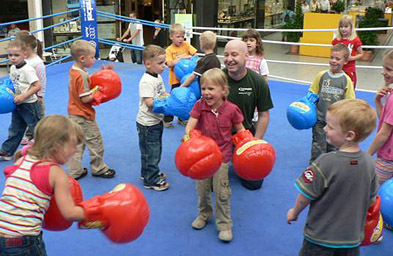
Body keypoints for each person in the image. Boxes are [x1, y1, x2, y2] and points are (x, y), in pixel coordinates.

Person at [287, 99, 378, 256]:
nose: (324, 128)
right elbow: (371, 200)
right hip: (351, 240)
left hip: (320, 237)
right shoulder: (370, 163)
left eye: (330, 126)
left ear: (349, 135)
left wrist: (294, 212)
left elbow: (305, 196)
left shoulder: (325, 162)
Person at [0, 115, 86, 255]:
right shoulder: (56, 173)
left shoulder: (20, 161)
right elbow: (69, 213)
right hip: (24, 241)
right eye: (74, 145)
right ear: (58, 145)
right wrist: (98, 212)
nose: (76, 150)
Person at [185, 68, 245, 243]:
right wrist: (189, 138)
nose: (206, 93)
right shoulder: (199, 106)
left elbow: (241, 130)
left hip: (222, 157)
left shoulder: (232, 109)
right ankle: (204, 214)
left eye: (211, 89)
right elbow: (190, 126)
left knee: (222, 192)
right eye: (203, 88)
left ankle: (224, 224)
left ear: (224, 90)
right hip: (202, 158)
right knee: (202, 190)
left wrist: (246, 146)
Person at [223, 40, 274, 190]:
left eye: (234, 54)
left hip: (244, 134)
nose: (229, 59)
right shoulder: (217, 79)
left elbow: (264, 115)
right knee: (212, 183)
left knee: (254, 183)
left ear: (246, 56)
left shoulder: (258, 82)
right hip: (219, 135)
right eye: (226, 55)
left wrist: (254, 144)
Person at [67, 40, 116, 179]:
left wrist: (101, 72)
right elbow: (85, 98)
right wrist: (98, 91)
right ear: (83, 58)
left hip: (73, 113)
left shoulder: (75, 70)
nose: (94, 60)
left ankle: (74, 172)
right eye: (92, 57)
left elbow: (85, 79)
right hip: (83, 115)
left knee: (76, 144)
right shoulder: (81, 75)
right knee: (95, 141)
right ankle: (98, 168)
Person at [309, 43, 355, 163]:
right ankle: (315, 169)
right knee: (318, 145)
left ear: (345, 61)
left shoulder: (346, 80)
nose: (333, 61)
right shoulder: (321, 75)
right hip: (319, 118)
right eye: (331, 58)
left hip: (336, 122)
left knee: (333, 147)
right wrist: (307, 105)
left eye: (337, 59)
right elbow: (312, 93)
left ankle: (330, 167)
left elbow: (350, 102)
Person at [0, 40, 42, 161]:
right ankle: (7, 151)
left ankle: (46, 151)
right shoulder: (13, 67)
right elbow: (14, 83)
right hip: (17, 103)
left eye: (16, 55)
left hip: (29, 104)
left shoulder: (27, 70)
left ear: (25, 54)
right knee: (15, 128)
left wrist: (24, 96)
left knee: (36, 128)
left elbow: (37, 86)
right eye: (10, 55)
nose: (13, 58)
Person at [136, 44, 170, 191]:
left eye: (164, 62)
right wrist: (166, 104)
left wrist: (168, 98)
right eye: (160, 63)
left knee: (150, 150)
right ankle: (151, 180)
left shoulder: (158, 77)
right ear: (148, 64)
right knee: (152, 151)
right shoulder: (146, 81)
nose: (164, 66)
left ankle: (147, 173)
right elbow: (150, 103)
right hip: (147, 124)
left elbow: (163, 93)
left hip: (155, 120)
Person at [16, 31, 47, 146]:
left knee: (37, 118)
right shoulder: (24, 60)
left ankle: (39, 137)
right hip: (26, 95)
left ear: (27, 46)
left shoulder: (37, 62)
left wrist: (40, 95)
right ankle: (29, 135)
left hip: (35, 96)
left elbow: (41, 80)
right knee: (27, 116)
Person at [367, 49, 393, 186]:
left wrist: (367, 155)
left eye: (389, 69)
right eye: (384, 67)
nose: (383, 71)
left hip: (387, 158)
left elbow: (384, 133)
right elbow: (386, 120)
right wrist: (378, 102)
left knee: (372, 191)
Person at [164, 23, 197, 128]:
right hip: (175, 80)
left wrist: (191, 58)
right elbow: (169, 64)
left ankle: (182, 118)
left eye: (183, 36)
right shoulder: (169, 49)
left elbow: (195, 55)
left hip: (186, 79)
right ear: (171, 37)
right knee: (173, 99)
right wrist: (178, 60)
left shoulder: (186, 45)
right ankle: (167, 119)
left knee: (185, 100)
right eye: (178, 37)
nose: (181, 39)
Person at [242, 28, 269, 125]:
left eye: (251, 40)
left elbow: (265, 80)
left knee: (255, 121)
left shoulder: (261, 61)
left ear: (257, 43)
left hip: (254, 95)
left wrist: (261, 95)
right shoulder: (241, 58)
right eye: (245, 40)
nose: (248, 43)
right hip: (242, 94)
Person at [332, 15, 363, 89]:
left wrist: (352, 58)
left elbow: (361, 54)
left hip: (349, 69)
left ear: (351, 27)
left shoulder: (355, 40)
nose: (343, 29)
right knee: (337, 89)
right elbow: (332, 53)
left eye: (346, 26)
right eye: (341, 26)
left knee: (349, 89)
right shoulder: (337, 40)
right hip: (338, 69)